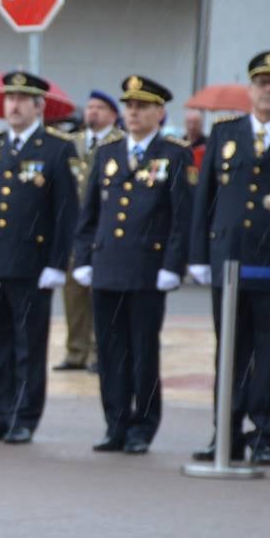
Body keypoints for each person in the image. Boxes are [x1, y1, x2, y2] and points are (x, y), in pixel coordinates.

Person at [72, 75, 191, 454]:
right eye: (130, 105)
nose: (134, 112)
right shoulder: (108, 152)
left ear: (160, 112)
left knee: (142, 352)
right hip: (107, 265)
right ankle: (116, 423)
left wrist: (173, 265)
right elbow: (89, 212)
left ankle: (143, 425)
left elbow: (180, 216)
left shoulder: (173, 154)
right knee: (110, 352)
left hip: (146, 268)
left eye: (142, 106)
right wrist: (84, 256)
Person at [0, 71, 79, 444]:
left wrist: (57, 263)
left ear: (38, 106)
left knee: (28, 343)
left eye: (21, 99)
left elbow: (65, 211)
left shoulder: (56, 148)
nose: (12, 105)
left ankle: (25, 415)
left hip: (33, 263)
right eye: (9, 98)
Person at [188, 49, 270, 466]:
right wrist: (198, 254)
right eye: (261, 83)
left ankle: (263, 431)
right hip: (228, 259)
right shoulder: (226, 134)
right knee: (228, 349)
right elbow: (205, 198)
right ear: (249, 89)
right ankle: (224, 431)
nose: (268, 90)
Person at [56, 90, 122, 373]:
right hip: (75, 229)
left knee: (100, 295)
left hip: (103, 228)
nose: (92, 112)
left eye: (99, 108)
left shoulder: (118, 143)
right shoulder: (73, 143)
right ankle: (76, 351)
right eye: (90, 107)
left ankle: (100, 351)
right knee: (73, 294)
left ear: (112, 114)